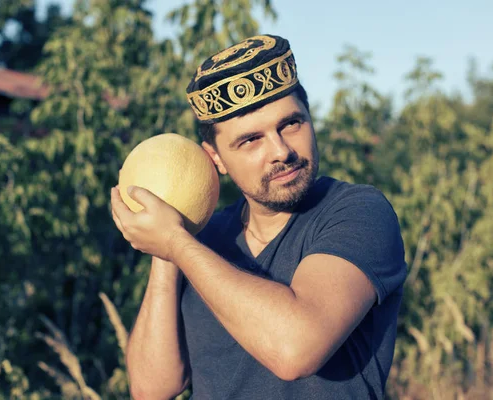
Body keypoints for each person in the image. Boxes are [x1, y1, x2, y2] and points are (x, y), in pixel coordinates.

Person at [110, 34, 407, 400]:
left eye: (291, 124)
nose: (281, 150)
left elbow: (295, 350)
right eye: (251, 140)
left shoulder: (358, 212)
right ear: (215, 158)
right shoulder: (199, 240)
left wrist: (175, 242)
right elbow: (153, 389)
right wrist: (166, 249)